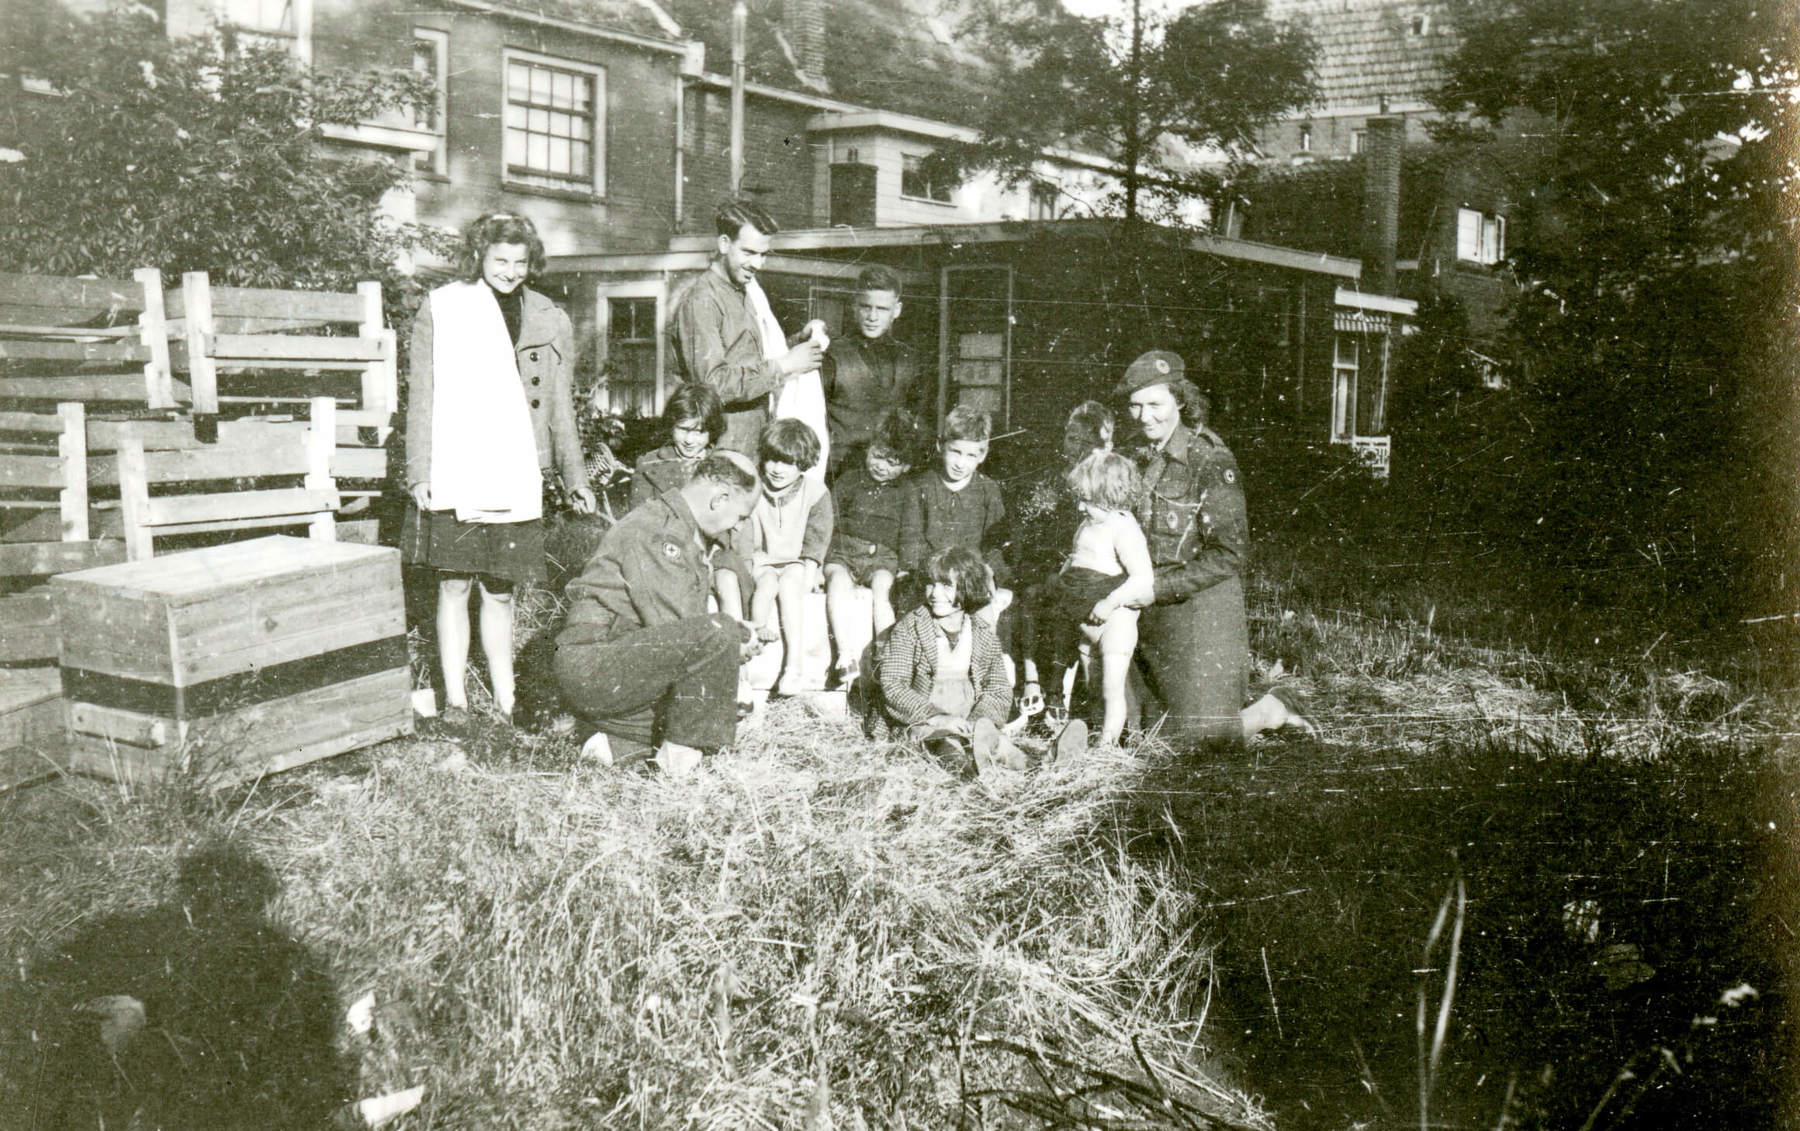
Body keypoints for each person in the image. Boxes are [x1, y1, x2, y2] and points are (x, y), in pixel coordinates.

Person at [404, 212, 609, 725]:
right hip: (459, 464)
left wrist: (575, 477)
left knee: (500, 590)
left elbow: (559, 406)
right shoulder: (444, 308)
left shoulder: (547, 316)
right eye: (500, 260)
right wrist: (420, 471)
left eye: (521, 262)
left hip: (517, 472)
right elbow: (423, 397)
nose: (511, 271)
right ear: (480, 257)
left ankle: (506, 697)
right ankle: (455, 701)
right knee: (453, 585)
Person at [1114, 349, 1309, 745]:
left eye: (1155, 404)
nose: (1144, 417)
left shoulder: (1209, 458)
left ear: (1180, 400)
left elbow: (1230, 554)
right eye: (1135, 406)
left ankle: (1273, 707)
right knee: (1134, 734)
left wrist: (1156, 590)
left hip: (1198, 612)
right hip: (1144, 611)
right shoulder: (1132, 456)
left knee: (1192, 740)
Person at [553, 451, 763, 778]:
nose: (737, 528)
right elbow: (678, 625)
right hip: (594, 663)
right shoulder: (658, 531)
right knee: (718, 642)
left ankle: (609, 745)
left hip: (616, 661)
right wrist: (733, 640)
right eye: (740, 517)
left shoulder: (678, 527)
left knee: (715, 704)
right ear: (720, 498)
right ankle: (676, 772)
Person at [668, 199, 827, 455]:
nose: (758, 264)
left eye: (763, 254)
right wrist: (784, 366)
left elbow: (747, 356)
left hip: (753, 441)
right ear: (723, 244)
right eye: (749, 252)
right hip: (721, 446)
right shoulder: (702, 300)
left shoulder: (745, 291)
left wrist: (796, 343)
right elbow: (711, 385)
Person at [1035, 450, 1155, 749]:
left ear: (1112, 496)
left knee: (1111, 688)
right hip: (1085, 617)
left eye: (1087, 500)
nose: (1080, 506)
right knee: (1092, 687)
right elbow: (1076, 561)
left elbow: (1142, 578)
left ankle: (1107, 746)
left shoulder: (1124, 527)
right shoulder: (1088, 524)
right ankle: (1094, 737)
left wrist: (1110, 602)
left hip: (1114, 621)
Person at [876, 546, 1023, 777]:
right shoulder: (910, 627)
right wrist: (938, 717)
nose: (935, 594)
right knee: (947, 748)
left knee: (1000, 746)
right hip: (925, 722)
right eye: (930, 584)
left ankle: (1042, 764)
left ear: (968, 588)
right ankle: (970, 777)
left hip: (969, 719)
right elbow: (893, 684)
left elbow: (998, 689)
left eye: (946, 586)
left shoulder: (982, 633)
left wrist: (979, 723)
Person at [1010, 400, 1114, 718]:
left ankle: (1056, 691)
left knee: (1064, 602)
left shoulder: (1103, 482)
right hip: (1048, 565)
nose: (1076, 447)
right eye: (1071, 438)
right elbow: (1031, 530)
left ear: (1102, 446)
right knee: (1032, 595)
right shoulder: (1053, 479)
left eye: (1086, 442)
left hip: (1090, 571)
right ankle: (1031, 684)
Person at [823, 408, 927, 686]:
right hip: (844, 553)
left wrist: (908, 566)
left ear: (905, 467)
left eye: (892, 462)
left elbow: (911, 530)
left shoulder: (907, 491)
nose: (881, 466)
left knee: (883, 589)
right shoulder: (849, 480)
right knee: (837, 583)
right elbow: (828, 518)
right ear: (869, 449)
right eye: (877, 456)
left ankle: (885, 652)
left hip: (881, 557)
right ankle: (845, 654)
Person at [898, 404, 1012, 628]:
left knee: (988, 619)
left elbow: (995, 546)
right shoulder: (920, 485)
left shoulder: (988, 490)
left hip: (971, 579)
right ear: (941, 445)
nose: (961, 463)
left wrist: (995, 576)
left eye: (971, 455)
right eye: (956, 452)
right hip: (931, 580)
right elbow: (911, 542)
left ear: (983, 455)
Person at [744, 418, 833, 696]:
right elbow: (745, 533)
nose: (778, 469)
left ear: (803, 462)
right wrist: (751, 561)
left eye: (788, 462)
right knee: (767, 583)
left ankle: (794, 665)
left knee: (791, 585)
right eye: (772, 460)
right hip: (762, 559)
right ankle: (758, 629)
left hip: (795, 561)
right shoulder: (753, 487)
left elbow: (817, 538)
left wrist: (811, 568)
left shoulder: (815, 492)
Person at [819, 264, 930, 477]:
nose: (872, 316)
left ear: (896, 310)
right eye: (865, 307)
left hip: (890, 475)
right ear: (854, 306)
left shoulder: (911, 359)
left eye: (882, 309)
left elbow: (917, 422)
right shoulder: (832, 356)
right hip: (841, 473)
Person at [629, 384, 727, 512]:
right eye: (683, 429)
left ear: (712, 431)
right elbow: (638, 523)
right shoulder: (648, 464)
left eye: (699, 432)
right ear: (671, 425)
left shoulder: (723, 464)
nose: (689, 440)